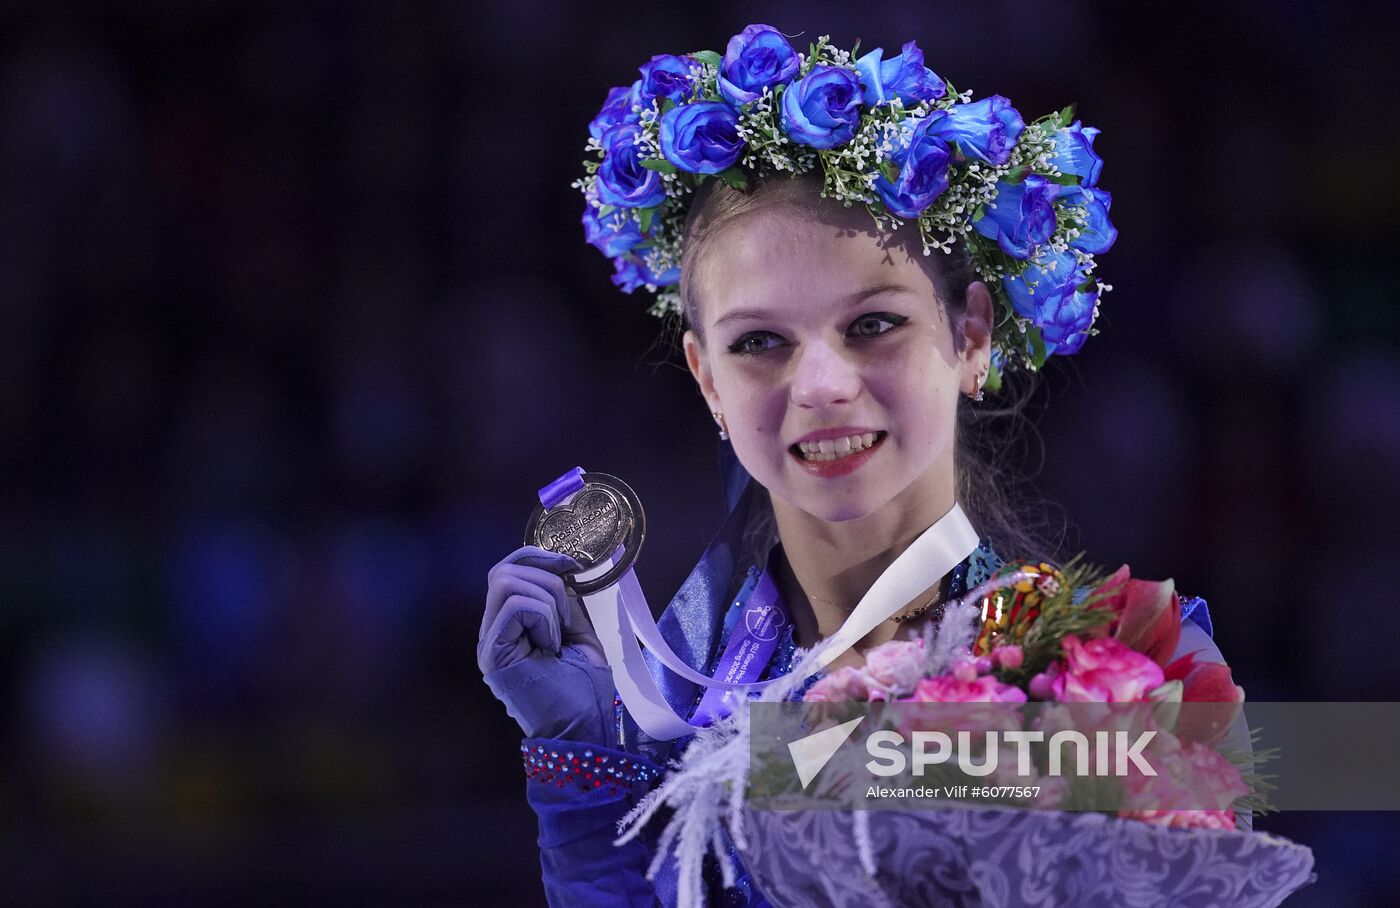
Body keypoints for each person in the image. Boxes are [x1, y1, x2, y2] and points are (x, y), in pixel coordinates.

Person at [476, 26, 1236, 906]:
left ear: (971, 336)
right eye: (760, 343)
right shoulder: (663, 712)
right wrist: (582, 767)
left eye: (872, 325)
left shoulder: (1130, 669)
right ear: (707, 380)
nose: (823, 386)